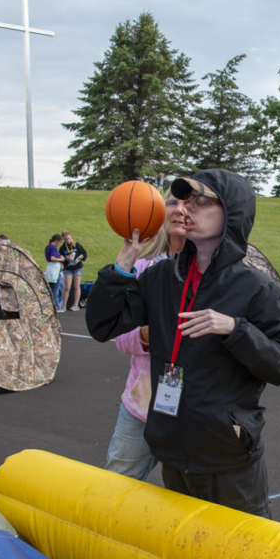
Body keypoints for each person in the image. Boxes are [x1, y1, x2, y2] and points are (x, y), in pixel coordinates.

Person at [86, 169, 280, 517]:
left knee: (240, 553)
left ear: (231, 212)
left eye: (200, 201)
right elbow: (102, 325)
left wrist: (235, 329)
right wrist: (123, 264)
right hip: (172, 448)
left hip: (226, 454)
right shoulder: (160, 277)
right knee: (189, 548)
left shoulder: (257, 289)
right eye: (182, 200)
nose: (184, 209)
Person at [104, 198, 187, 482]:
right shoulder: (143, 269)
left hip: (196, 410)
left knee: (188, 498)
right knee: (116, 486)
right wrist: (148, 334)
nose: (180, 209)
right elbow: (120, 339)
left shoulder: (215, 274)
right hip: (142, 405)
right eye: (172, 201)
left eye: (190, 203)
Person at [60, 231, 88, 312]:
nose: (68, 240)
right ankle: (64, 305)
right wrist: (66, 257)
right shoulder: (63, 247)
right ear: (63, 239)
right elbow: (61, 257)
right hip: (68, 268)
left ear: (70, 237)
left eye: (69, 238)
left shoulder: (77, 245)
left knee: (76, 286)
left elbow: (84, 253)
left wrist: (81, 256)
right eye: (66, 239)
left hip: (77, 267)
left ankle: (75, 305)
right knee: (67, 287)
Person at [43, 234, 66, 310]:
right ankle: (56, 306)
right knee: (55, 289)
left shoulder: (48, 247)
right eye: (59, 242)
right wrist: (61, 259)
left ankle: (48, 305)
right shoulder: (53, 247)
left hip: (50, 267)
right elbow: (52, 258)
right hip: (54, 268)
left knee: (50, 288)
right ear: (56, 241)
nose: (59, 244)